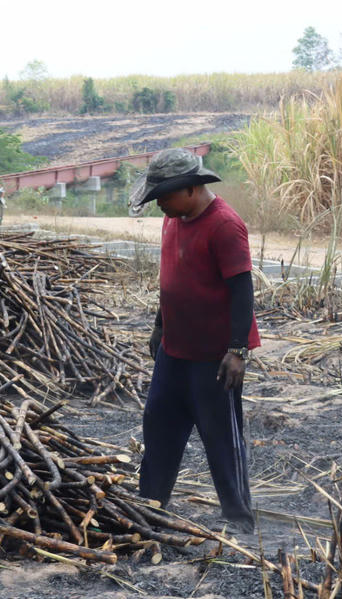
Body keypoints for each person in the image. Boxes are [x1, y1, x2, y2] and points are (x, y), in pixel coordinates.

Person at [129, 148, 259, 534]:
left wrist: (237, 350)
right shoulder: (174, 219)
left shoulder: (224, 225)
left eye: (164, 197)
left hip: (214, 357)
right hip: (175, 349)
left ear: (190, 189)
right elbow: (172, 281)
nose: (160, 205)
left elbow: (242, 290)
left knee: (221, 437)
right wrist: (159, 326)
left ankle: (238, 518)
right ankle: (151, 505)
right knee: (158, 425)